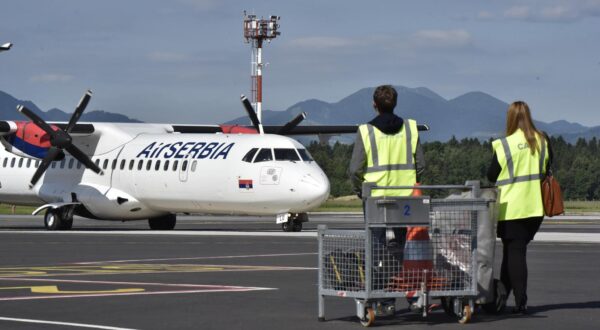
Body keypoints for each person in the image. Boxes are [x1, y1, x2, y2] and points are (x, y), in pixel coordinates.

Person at [487, 101, 552, 314]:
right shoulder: (543, 141)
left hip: (511, 208)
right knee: (513, 252)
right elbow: (546, 169)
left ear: (510, 119)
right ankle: (501, 298)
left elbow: (491, 175)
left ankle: (520, 300)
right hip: (534, 207)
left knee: (515, 252)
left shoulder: (504, 145)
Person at [348, 84, 425, 246]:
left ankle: (377, 270)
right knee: (404, 243)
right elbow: (421, 165)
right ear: (395, 103)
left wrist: (361, 191)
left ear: (374, 105)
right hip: (405, 196)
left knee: (375, 243)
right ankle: (401, 269)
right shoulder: (410, 128)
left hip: (376, 197)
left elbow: (354, 170)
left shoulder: (366, 131)